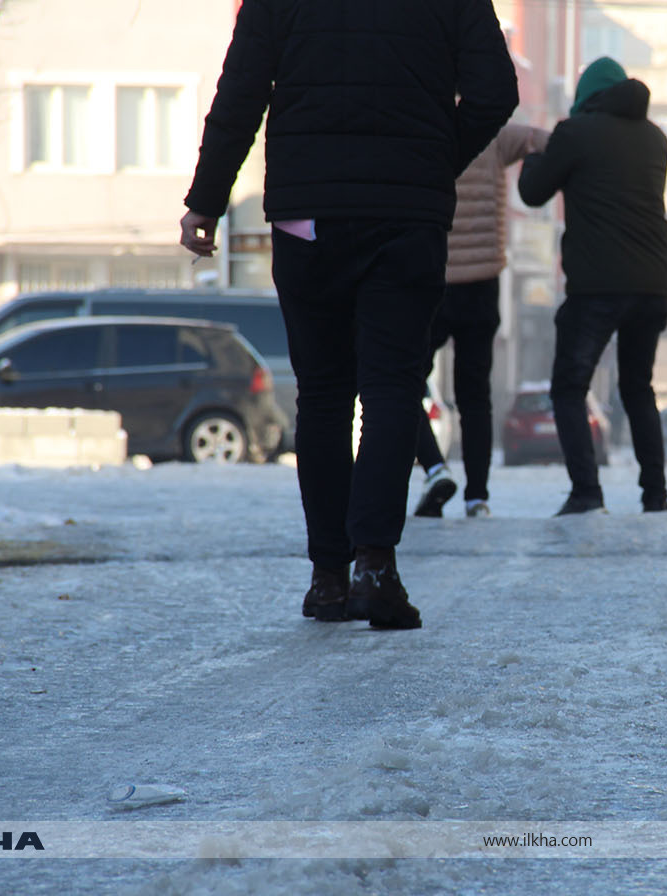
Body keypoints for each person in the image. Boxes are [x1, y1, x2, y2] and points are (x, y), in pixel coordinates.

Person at [179, 0, 517, 626]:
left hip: (309, 214)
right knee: (392, 387)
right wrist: (435, 158)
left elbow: (242, 91)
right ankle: (376, 567)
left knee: (325, 394)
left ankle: (328, 577)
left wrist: (207, 199)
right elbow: (496, 92)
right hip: (406, 216)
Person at [517, 57, 667, 516]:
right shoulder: (656, 139)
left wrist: (533, 154)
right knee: (638, 388)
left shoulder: (575, 133)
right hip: (652, 282)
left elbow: (532, 192)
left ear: (586, 99)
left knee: (569, 388)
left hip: (598, 284)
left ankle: (587, 492)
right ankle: (655, 495)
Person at [414, 122, 550, 520]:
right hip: (482, 286)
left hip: (431, 281)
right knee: (475, 398)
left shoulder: (421, 127)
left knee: (400, 378)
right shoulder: (493, 134)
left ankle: (435, 467)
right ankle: (478, 498)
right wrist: (529, 179)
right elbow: (545, 141)